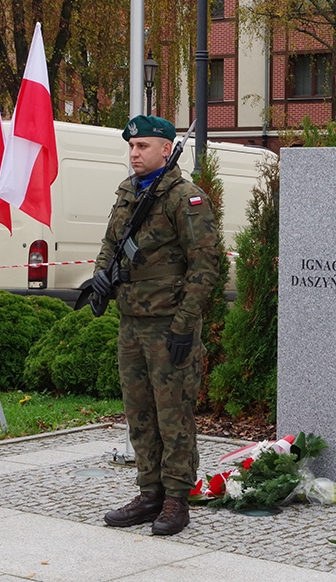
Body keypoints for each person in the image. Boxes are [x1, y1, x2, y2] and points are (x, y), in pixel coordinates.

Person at [94, 115, 219, 535]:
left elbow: (205, 265)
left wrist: (185, 324)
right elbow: (111, 243)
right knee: (139, 414)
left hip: (168, 324)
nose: (135, 154)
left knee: (174, 415)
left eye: (143, 146)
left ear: (166, 149)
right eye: (131, 146)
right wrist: (100, 279)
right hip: (131, 322)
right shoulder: (128, 192)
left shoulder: (185, 198)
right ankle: (149, 493)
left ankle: (176, 499)